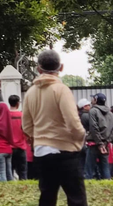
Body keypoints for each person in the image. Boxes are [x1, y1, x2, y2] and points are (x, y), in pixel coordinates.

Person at [23, 49, 87, 206]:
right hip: (65, 150)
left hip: (41, 152)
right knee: (76, 197)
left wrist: (37, 139)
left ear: (39, 69)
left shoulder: (30, 92)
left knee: (47, 196)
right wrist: (80, 137)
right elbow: (73, 122)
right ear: (61, 67)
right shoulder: (61, 90)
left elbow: (26, 125)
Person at [85, 93, 113, 180]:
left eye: (93, 98)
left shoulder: (93, 111)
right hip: (105, 144)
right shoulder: (110, 114)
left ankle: (88, 188)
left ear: (96, 100)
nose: (92, 100)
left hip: (94, 144)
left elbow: (94, 128)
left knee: (89, 169)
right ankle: (107, 187)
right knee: (105, 168)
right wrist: (106, 142)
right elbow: (112, 130)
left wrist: (99, 144)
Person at [9, 95, 27, 180]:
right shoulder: (22, 116)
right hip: (21, 146)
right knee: (22, 172)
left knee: (10, 171)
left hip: (9, 147)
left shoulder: (6, 116)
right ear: (18, 103)